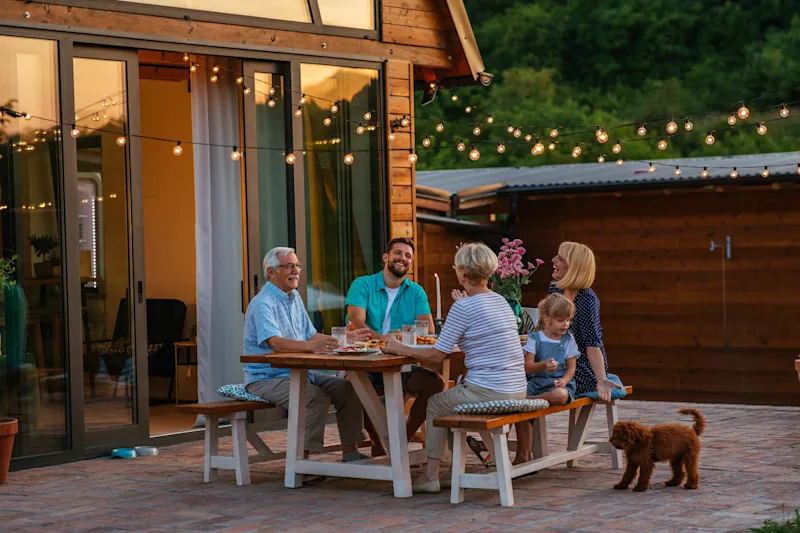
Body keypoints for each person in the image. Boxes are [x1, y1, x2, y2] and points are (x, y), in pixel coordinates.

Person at [385, 242, 527, 493]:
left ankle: (430, 476)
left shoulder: (463, 307)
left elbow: (437, 353)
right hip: (517, 389)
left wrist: (399, 347)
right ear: (489, 271)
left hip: (489, 392)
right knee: (451, 400)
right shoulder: (501, 302)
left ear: (461, 272)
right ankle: (454, 471)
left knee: (436, 403)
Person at [243, 246, 372, 476]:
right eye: (289, 266)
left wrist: (342, 339)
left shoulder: (294, 298)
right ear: (271, 273)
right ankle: (302, 463)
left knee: (347, 388)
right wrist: (312, 347)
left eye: (298, 265)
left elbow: (311, 336)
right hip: (267, 378)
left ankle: (351, 452)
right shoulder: (263, 303)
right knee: (313, 396)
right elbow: (275, 343)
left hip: (302, 373)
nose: (296, 270)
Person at [346, 237, 445, 447]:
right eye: (398, 253)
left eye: (408, 255)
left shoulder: (416, 291)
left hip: (400, 363)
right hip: (365, 360)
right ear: (386, 257)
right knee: (354, 388)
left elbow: (427, 329)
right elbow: (356, 321)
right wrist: (385, 340)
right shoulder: (362, 284)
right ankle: (377, 442)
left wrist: (397, 343)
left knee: (435, 383)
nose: (403, 258)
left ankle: (400, 442)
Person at [549, 241, 625, 402]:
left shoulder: (586, 300)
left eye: (560, 258)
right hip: (557, 357)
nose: (553, 260)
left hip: (581, 365)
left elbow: (592, 344)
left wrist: (601, 379)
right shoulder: (555, 289)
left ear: (573, 267)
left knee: (534, 382)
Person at [513, 293, 579, 465]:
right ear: (547, 319)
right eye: (561, 320)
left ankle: (533, 401)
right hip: (537, 383)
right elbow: (528, 366)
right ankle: (524, 453)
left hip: (557, 384)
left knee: (561, 395)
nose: (565, 324)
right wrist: (543, 365)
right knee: (518, 400)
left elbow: (571, 368)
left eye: (568, 320)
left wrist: (564, 381)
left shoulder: (568, 340)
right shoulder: (536, 339)